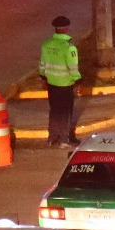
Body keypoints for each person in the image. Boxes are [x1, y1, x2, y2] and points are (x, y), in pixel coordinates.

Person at [38, 16, 82, 147]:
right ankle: (64, 138)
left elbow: (42, 64)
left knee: (54, 110)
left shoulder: (46, 44)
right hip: (65, 84)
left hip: (51, 83)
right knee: (65, 112)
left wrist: (43, 78)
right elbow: (73, 68)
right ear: (67, 28)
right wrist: (78, 81)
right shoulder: (69, 48)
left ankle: (53, 137)